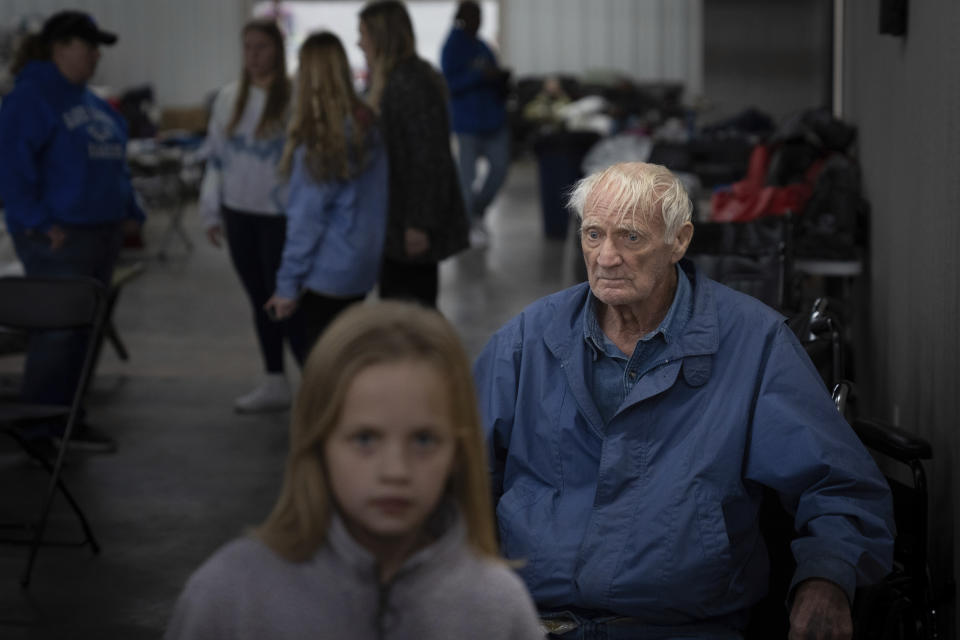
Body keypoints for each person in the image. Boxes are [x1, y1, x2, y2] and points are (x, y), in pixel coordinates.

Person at [472, 162, 895, 639]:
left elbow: (838, 484)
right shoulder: (528, 340)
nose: (606, 257)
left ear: (679, 240)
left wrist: (826, 576)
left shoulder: (754, 344)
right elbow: (454, 474)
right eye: (593, 235)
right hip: (533, 621)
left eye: (630, 237)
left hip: (682, 627)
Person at [164, 301, 546, 640]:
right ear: (318, 444)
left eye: (424, 440)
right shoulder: (230, 596)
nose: (395, 471)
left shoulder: (498, 608)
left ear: (457, 453)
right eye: (365, 439)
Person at [0, 10, 145, 453]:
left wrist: (129, 209)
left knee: (85, 330)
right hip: (59, 238)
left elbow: (114, 163)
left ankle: (68, 419)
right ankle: (39, 429)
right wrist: (38, 223)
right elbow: (11, 170)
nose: (97, 55)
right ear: (60, 48)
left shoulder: (92, 104)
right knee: (58, 333)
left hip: (99, 234)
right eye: (89, 46)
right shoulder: (32, 99)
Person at [199, 19, 307, 414]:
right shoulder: (229, 98)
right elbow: (216, 160)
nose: (253, 56)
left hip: (281, 216)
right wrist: (211, 211)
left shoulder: (296, 98)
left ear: (277, 50)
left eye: (261, 47)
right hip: (239, 213)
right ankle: (274, 380)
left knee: (289, 301)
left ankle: (315, 384)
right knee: (260, 299)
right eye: (247, 48)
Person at [263, 32, 388, 351]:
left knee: (322, 371)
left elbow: (306, 222)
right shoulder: (366, 127)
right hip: (360, 269)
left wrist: (287, 286)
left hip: (327, 276)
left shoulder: (319, 144)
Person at [358, 0, 469, 308]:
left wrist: (418, 224)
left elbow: (427, 158)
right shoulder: (391, 79)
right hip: (396, 217)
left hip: (410, 221)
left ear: (382, 36)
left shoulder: (411, 83)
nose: (359, 42)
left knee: (411, 313)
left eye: (364, 33)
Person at [441, 0, 511, 249]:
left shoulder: (483, 46)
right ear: (463, 17)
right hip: (467, 125)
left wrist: (500, 80)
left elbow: (494, 73)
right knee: (466, 178)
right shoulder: (452, 47)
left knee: (500, 170)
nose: (478, 21)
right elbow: (449, 85)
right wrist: (480, 76)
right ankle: (468, 223)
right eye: (474, 16)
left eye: (480, 16)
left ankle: (477, 211)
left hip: (494, 122)